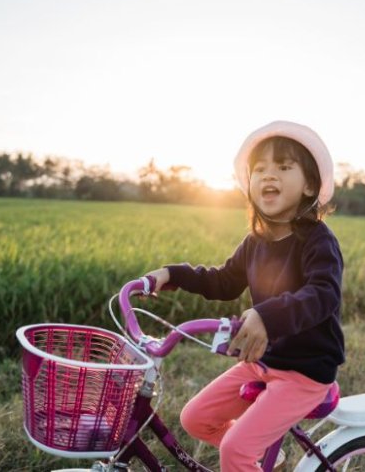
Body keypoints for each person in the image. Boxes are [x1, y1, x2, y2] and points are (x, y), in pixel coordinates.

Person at [144, 120, 345, 471]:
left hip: (306, 371)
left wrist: (267, 315)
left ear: (309, 184)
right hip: (264, 361)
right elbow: (223, 281)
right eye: (261, 169)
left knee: (234, 451)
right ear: (249, 184)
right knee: (195, 418)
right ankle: (267, 454)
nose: (270, 176)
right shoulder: (255, 243)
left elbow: (322, 294)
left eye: (283, 167)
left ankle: (246, 455)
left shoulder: (317, 240)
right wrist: (173, 274)